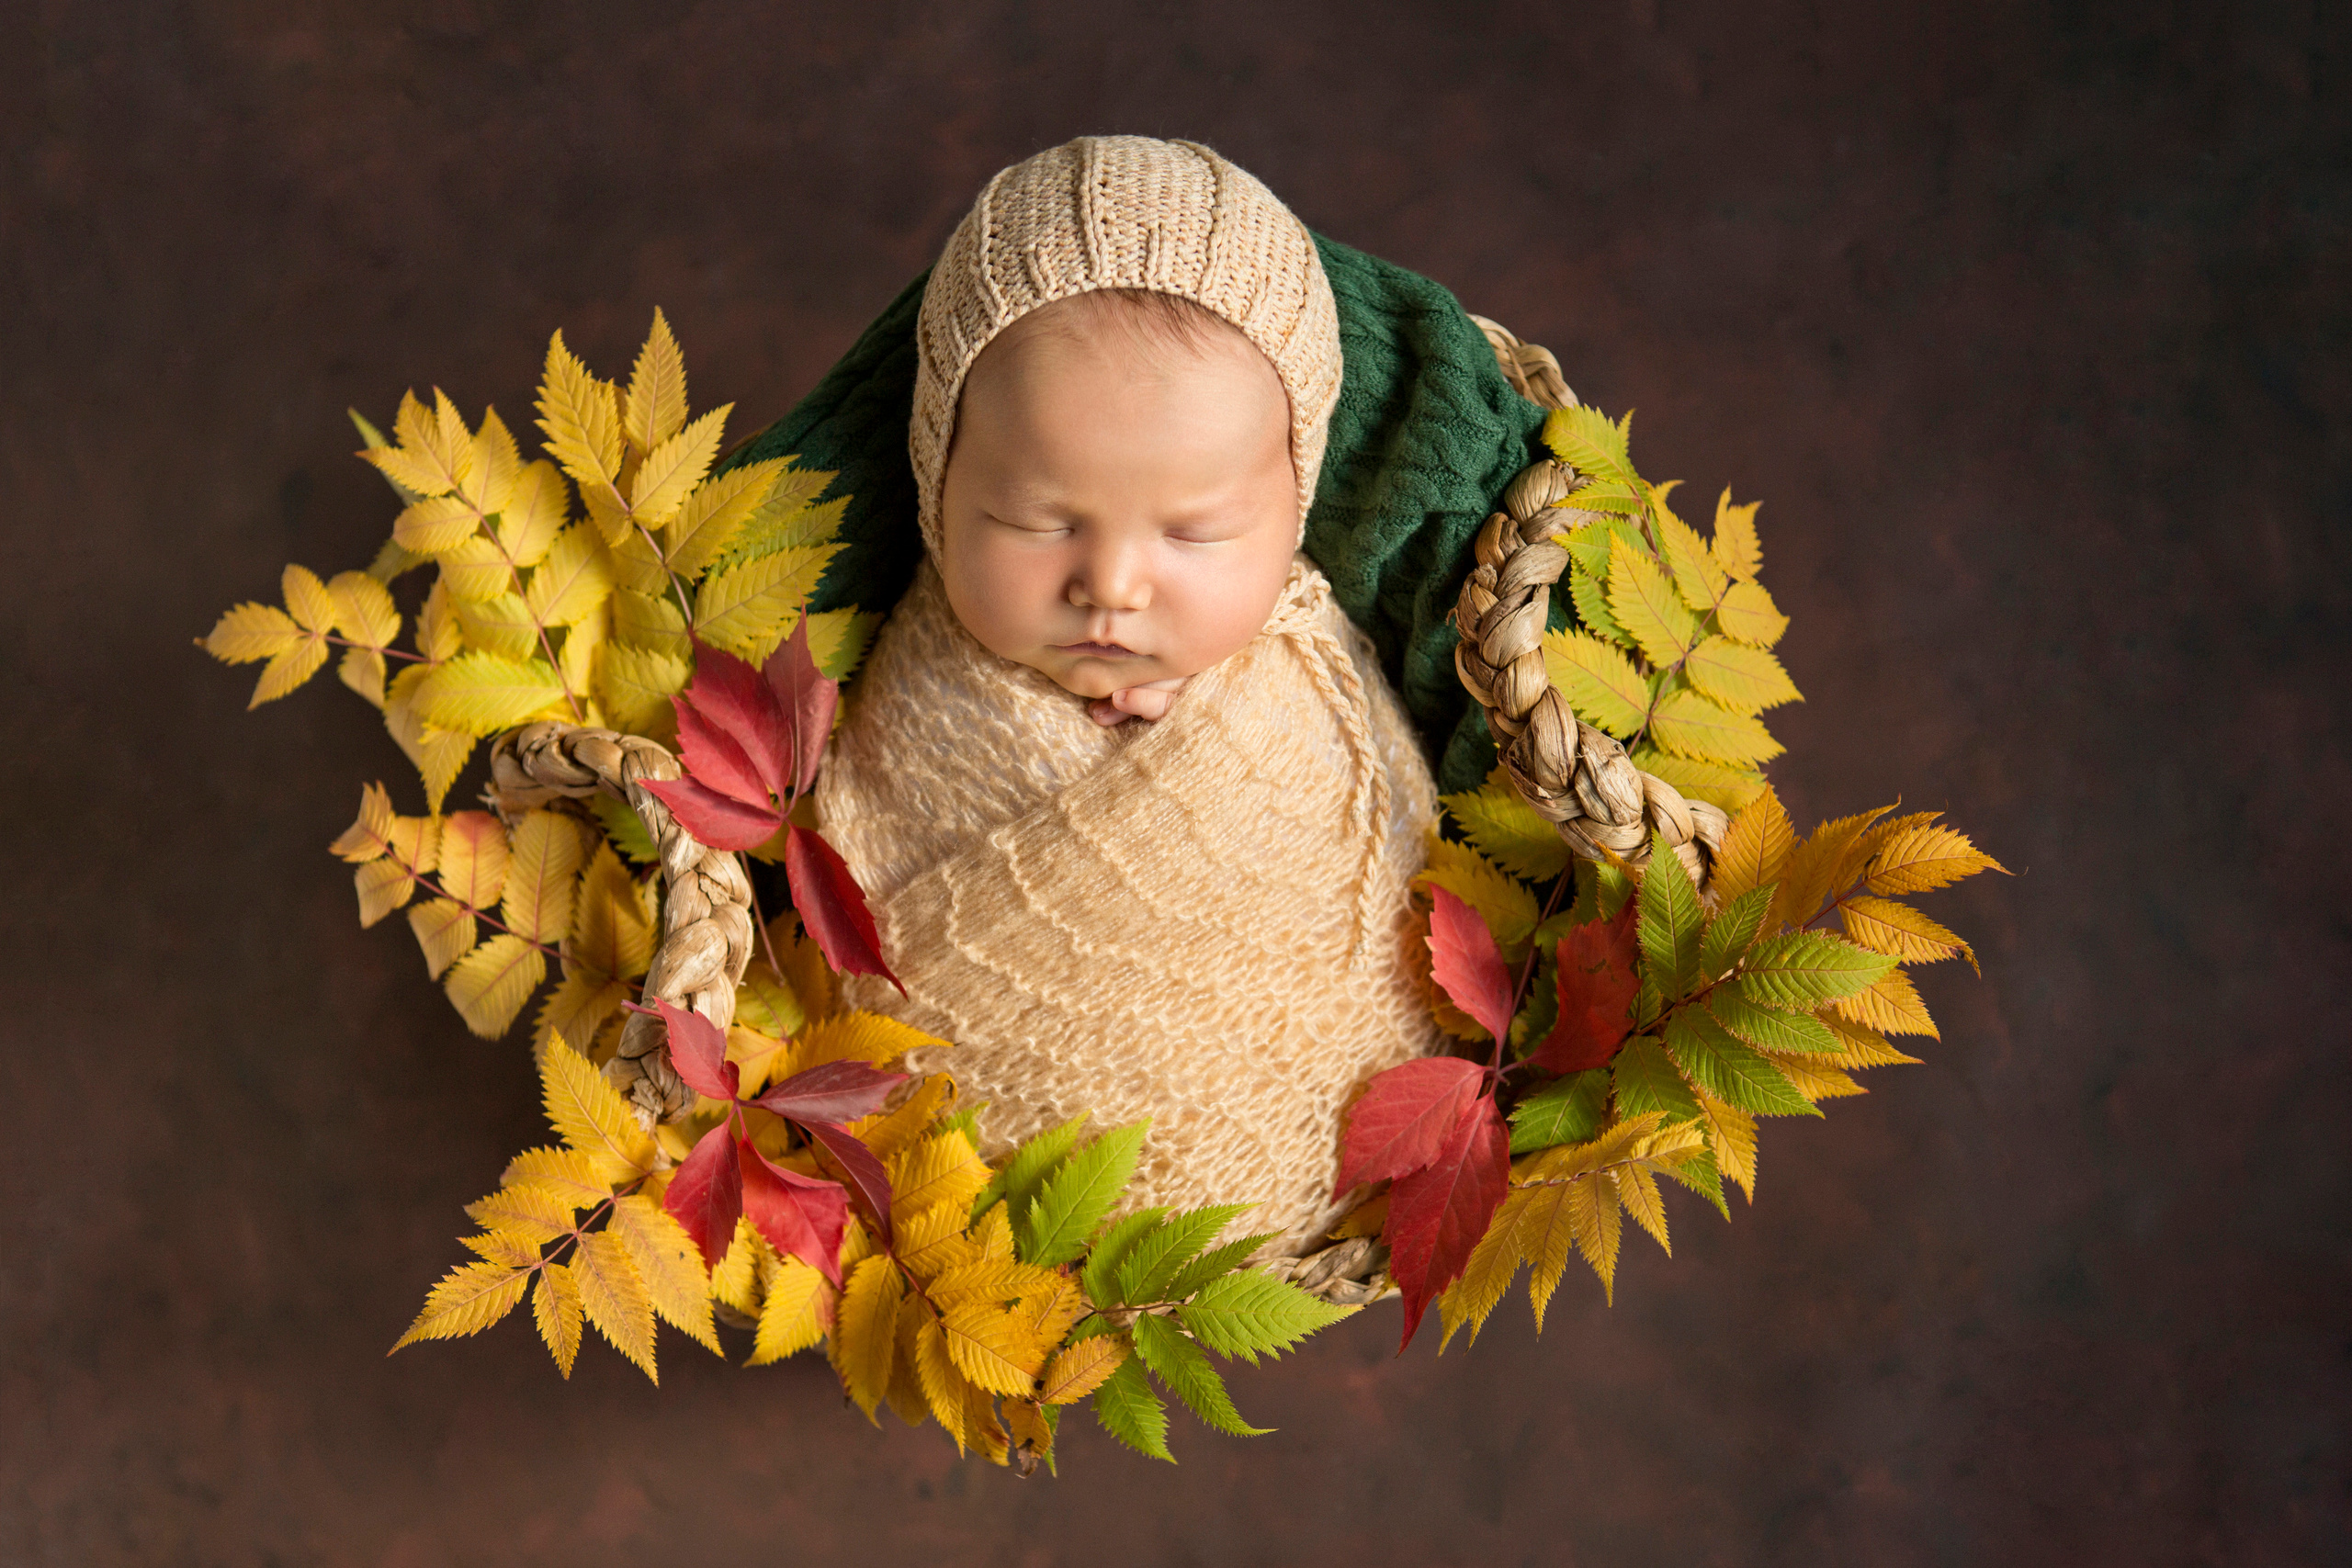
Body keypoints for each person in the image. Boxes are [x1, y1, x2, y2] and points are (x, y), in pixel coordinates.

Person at [814, 136, 1446, 1249]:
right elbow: (833, 906)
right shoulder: (904, 678)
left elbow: (1392, 857)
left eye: (1195, 533)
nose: (1108, 584)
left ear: (1290, 511)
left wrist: (1219, 726)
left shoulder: (1308, 678)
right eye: (1035, 521)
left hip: (1300, 1162)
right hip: (967, 1234)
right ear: (936, 482)